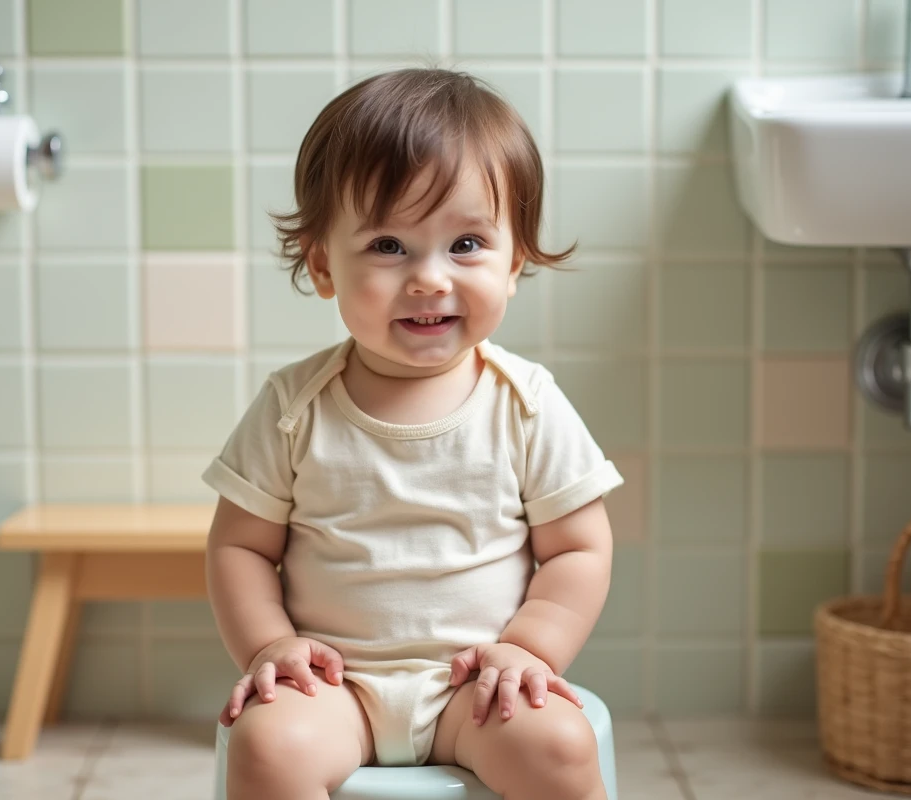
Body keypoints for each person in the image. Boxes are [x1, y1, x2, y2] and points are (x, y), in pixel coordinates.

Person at [202, 67, 623, 800]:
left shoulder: (525, 404)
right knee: (269, 746)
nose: (430, 279)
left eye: (466, 245)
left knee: (559, 745)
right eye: (391, 246)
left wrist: (529, 649)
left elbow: (579, 548)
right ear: (325, 263)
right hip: (339, 685)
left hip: (478, 688)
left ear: (515, 260)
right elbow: (239, 546)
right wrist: (272, 646)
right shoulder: (294, 407)